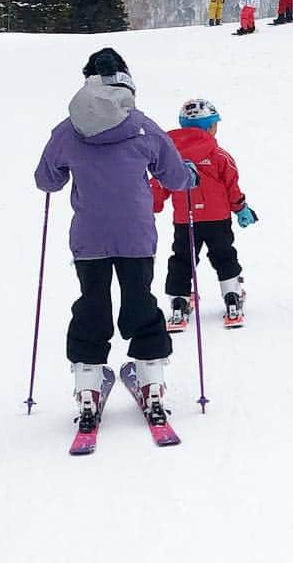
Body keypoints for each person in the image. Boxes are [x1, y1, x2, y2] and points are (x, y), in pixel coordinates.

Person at [34, 47, 198, 430]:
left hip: (89, 237)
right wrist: (189, 175)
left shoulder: (67, 130)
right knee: (140, 301)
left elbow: (47, 180)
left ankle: (88, 388)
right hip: (136, 234)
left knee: (92, 304)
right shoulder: (142, 126)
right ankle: (152, 382)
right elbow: (174, 178)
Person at [152, 99, 257, 328]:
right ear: (210, 127)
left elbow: (160, 183)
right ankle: (232, 297)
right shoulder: (219, 155)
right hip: (217, 219)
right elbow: (232, 185)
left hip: (185, 220)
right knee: (224, 255)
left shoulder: (170, 157)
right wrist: (241, 208)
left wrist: (151, 203)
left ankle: (179, 303)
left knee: (182, 259)